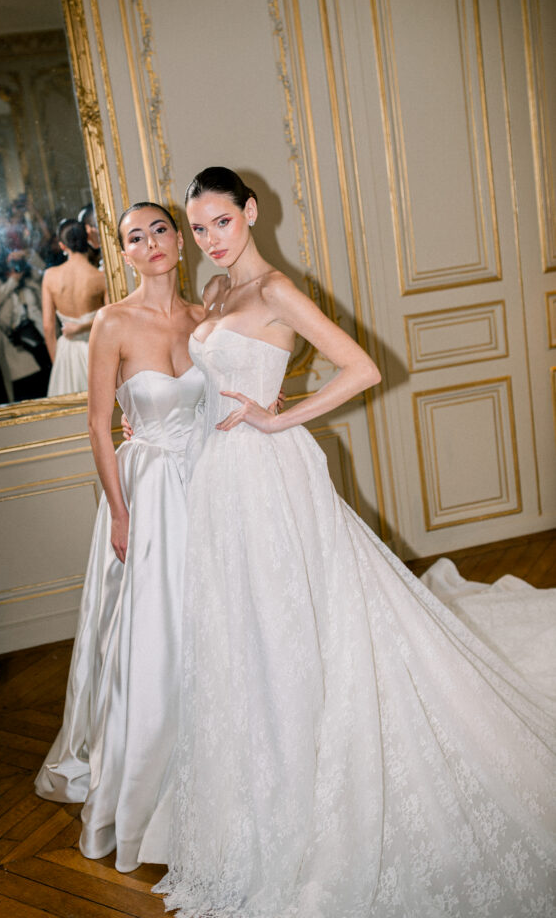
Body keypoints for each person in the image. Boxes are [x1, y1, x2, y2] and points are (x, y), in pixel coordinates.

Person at [148, 167, 555, 918]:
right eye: (197, 228)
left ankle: (312, 776)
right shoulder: (215, 290)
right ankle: (266, 784)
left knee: (293, 622)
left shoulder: (275, 289)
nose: (209, 239)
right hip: (219, 481)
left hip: (269, 476)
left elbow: (363, 368)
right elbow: (208, 381)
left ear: (251, 212)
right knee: (245, 632)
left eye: (221, 222)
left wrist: (277, 417)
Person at [35, 202, 206, 871]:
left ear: (179, 240)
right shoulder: (112, 321)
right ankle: (147, 769)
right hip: (149, 493)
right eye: (135, 236)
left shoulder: (206, 318)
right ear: (124, 254)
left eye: (160, 229)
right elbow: (97, 423)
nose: (150, 242)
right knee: (155, 626)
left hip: (210, 484)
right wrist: (119, 511)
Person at [42, 219, 108, 396]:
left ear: (62, 245)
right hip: (96, 350)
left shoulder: (50, 276)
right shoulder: (100, 277)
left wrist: (57, 362)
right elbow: (110, 320)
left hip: (66, 352)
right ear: (87, 239)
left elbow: (48, 327)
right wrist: (84, 327)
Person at [0, 248, 49, 401]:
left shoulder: (30, 278)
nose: (14, 265)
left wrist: (28, 255)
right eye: (11, 262)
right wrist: (12, 280)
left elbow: (44, 272)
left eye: (17, 262)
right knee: (27, 388)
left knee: (47, 383)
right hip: (17, 345)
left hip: (41, 338)